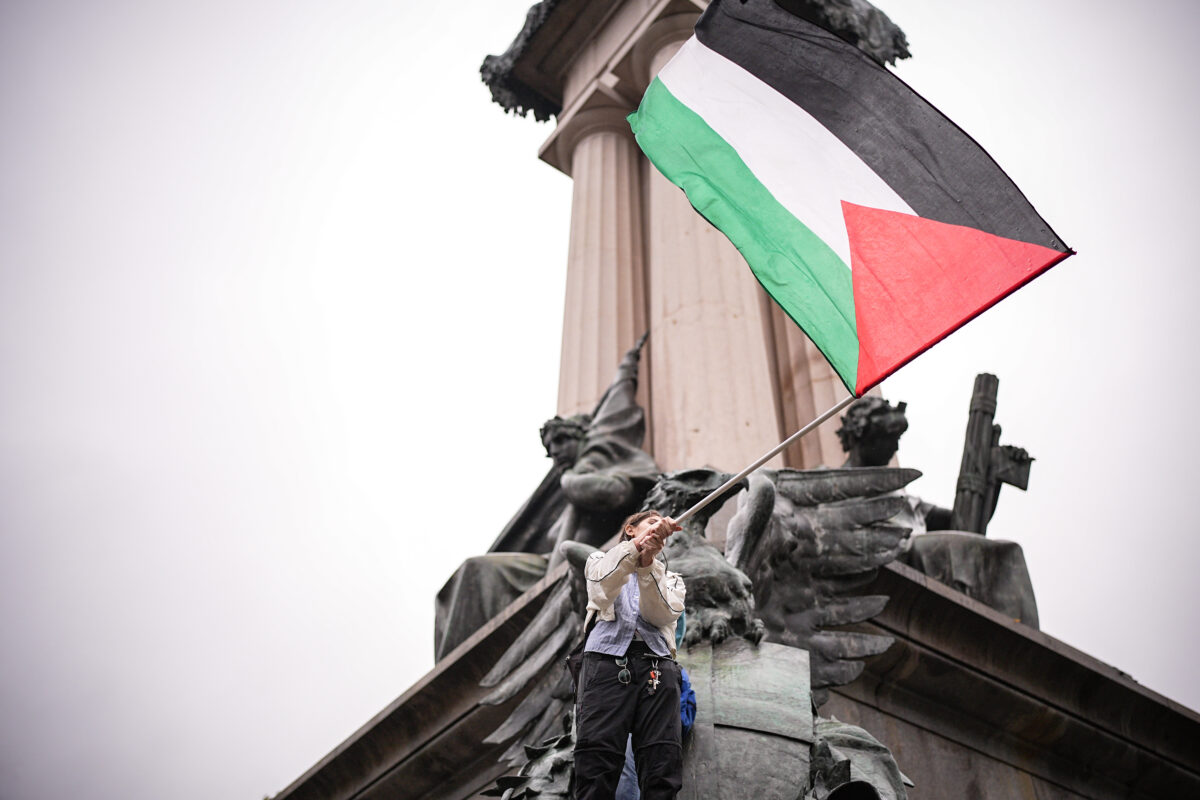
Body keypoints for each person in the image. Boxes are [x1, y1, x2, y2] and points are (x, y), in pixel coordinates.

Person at [575, 510, 686, 800]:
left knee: (662, 757)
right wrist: (636, 551)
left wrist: (647, 563)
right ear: (630, 529)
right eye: (651, 523)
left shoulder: (672, 579)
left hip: (656, 668)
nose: (657, 528)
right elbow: (601, 590)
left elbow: (659, 614)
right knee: (597, 755)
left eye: (661, 527)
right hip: (605, 664)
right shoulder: (599, 560)